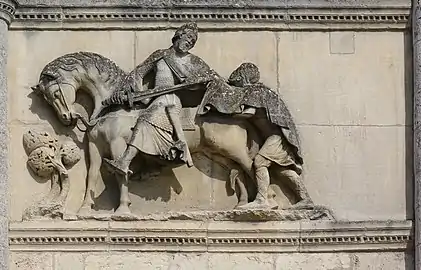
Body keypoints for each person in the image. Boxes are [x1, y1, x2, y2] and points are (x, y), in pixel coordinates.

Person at [104, 22, 219, 176]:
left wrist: (194, 82)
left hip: (171, 98)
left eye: (193, 41)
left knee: (145, 119)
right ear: (179, 35)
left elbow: (212, 77)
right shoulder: (160, 55)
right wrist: (135, 91)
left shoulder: (193, 61)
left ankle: (125, 161)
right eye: (189, 37)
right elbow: (138, 72)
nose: (190, 42)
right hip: (155, 96)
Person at [199, 63, 313, 209]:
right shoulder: (262, 91)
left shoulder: (256, 91)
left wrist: (227, 114)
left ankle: (262, 199)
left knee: (259, 162)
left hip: (276, 137)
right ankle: (305, 199)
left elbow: (249, 113)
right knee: (282, 170)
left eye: (238, 81)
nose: (237, 86)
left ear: (244, 77)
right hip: (275, 137)